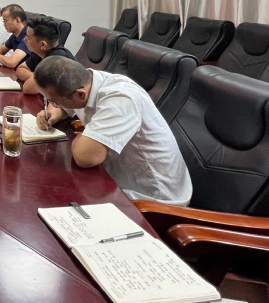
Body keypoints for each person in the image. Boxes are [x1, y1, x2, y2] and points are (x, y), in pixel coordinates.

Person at [34, 56, 192, 205]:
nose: (52, 104)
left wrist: (83, 139)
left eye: (54, 101)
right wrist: (53, 113)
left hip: (151, 197)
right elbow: (66, 107)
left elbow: (86, 158)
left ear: (80, 94)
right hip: (114, 175)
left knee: (56, 200)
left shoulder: (120, 99)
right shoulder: (86, 81)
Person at [16, 15, 77, 94]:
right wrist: (41, 79)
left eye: (28, 37)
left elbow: (28, 89)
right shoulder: (40, 52)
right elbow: (20, 70)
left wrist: (37, 80)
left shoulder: (56, 59)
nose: (24, 40)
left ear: (43, 44)